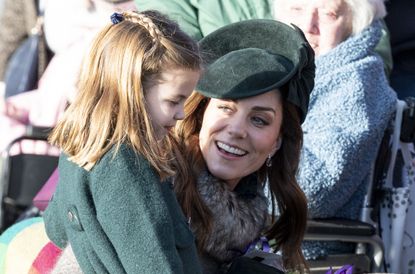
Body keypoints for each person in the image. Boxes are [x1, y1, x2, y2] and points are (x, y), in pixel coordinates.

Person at [43, 10, 202, 274]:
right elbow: (154, 265)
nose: (182, 113)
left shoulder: (81, 149)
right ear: (133, 91)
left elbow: (56, 227)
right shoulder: (126, 165)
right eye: (174, 101)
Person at [173, 19, 314, 273]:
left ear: (277, 142)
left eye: (259, 120)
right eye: (226, 107)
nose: (236, 129)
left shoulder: (254, 222)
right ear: (202, 114)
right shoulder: (159, 186)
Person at [272, 0, 397, 259]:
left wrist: (233, 178)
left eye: (328, 14)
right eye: (297, 9)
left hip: (300, 250)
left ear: (353, 23)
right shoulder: (284, 70)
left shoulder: (357, 84)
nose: (308, 26)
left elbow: (312, 189)